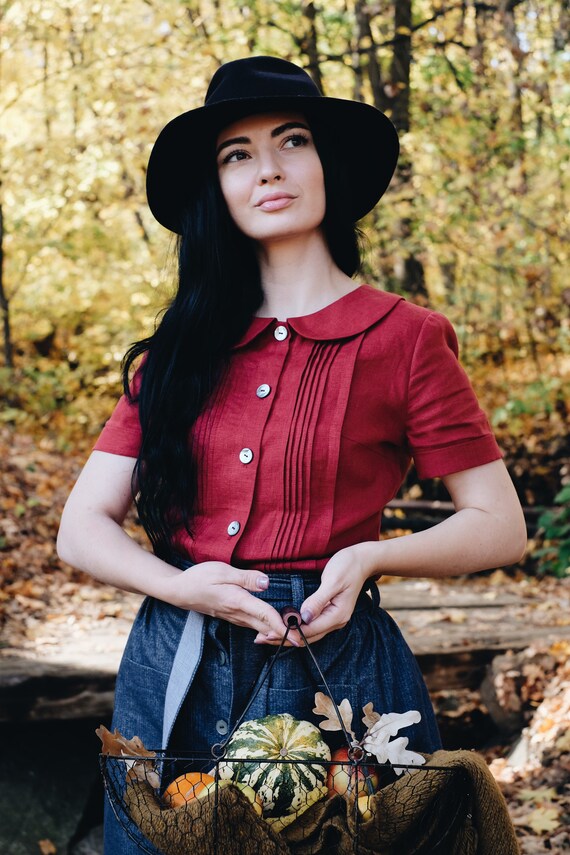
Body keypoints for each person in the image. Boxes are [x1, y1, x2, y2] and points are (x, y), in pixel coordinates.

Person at [57, 56, 526, 852]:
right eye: (236, 154)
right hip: (175, 660)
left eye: (292, 141)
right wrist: (182, 585)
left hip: (335, 668)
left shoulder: (407, 338)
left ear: (326, 165)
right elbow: (81, 528)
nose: (267, 169)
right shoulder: (179, 351)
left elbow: (500, 524)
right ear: (218, 188)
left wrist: (372, 556)